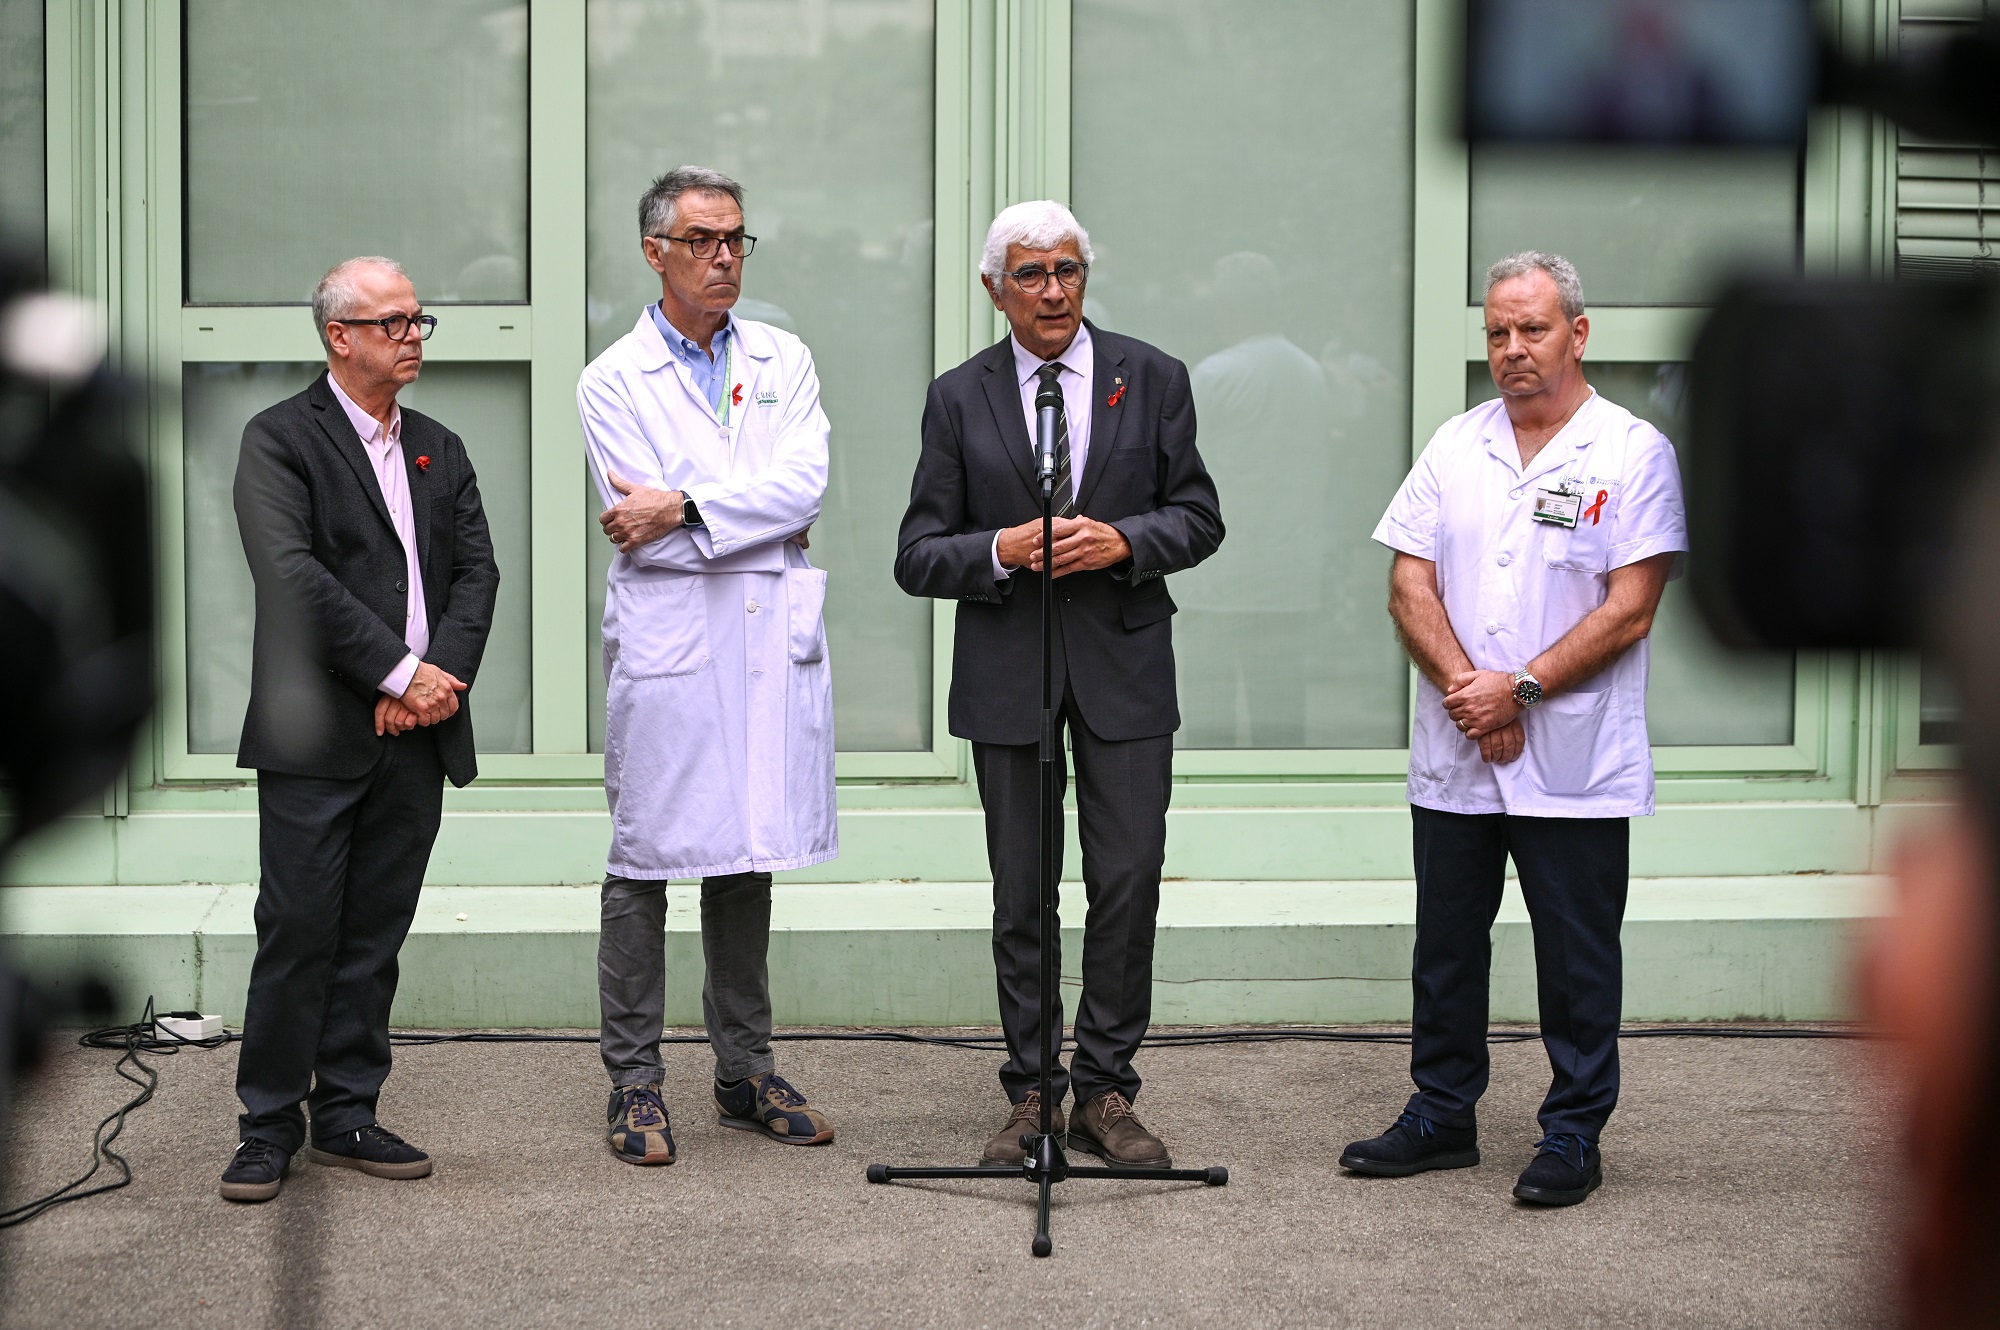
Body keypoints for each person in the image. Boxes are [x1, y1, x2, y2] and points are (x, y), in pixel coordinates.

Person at [1342, 250, 1686, 1207]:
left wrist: (1520, 691)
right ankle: (1441, 1113)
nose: (1511, 348)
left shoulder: (1630, 451)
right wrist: (1469, 689)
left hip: (1571, 756)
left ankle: (1574, 1132)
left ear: (1578, 334)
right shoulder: (1458, 443)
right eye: (1496, 331)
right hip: (1459, 748)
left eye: (1532, 328)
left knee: (1576, 954)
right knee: (1447, 944)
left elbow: (1632, 608)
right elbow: (1407, 581)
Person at [894, 200, 1224, 1167]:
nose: (1053, 291)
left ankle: (1108, 1092)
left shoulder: (1152, 377)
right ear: (995, 289)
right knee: (1023, 893)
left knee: (1127, 881)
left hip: (1125, 665)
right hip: (1009, 673)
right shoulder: (960, 396)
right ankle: (1034, 1090)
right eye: (1031, 274)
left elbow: (1199, 518)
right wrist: (999, 548)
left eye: (1068, 271)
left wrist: (1123, 540)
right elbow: (917, 554)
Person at [223, 256, 499, 1202]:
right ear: (340, 336)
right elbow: (292, 577)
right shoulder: (278, 440)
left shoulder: (438, 444)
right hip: (317, 733)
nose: (413, 335)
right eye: (393, 322)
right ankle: (268, 1125)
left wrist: (437, 680)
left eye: (419, 320)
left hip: (416, 732)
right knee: (299, 929)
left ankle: (347, 1111)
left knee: (375, 931)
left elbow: (477, 576)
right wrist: (399, 670)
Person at [579, 166, 836, 1167]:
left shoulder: (784, 357)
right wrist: (739, 515)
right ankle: (634, 1083)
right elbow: (639, 537)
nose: (723, 256)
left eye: (734, 239)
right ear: (655, 252)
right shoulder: (610, 380)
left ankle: (744, 1069)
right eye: (700, 240)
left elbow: (804, 488)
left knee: (745, 852)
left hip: (762, 636)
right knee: (641, 860)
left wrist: (685, 504)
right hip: (672, 641)